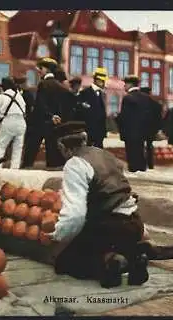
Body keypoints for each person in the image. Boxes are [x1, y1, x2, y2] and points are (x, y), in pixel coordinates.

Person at [47, 121, 148, 288]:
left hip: (109, 227)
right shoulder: (105, 154)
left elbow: (76, 214)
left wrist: (58, 237)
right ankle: (134, 257)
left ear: (62, 146)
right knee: (100, 242)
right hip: (135, 223)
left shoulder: (75, 164)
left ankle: (110, 262)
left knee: (64, 263)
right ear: (84, 140)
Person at [22, 57, 66, 168]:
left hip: (41, 122)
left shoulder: (43, 84)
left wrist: (48, 116)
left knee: (31, 148)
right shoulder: (60, 86)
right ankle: (52, 169)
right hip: (55, 123)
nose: (39, 70)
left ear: (47, 70)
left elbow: (41, 105)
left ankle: (26, 168)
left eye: (41, 68)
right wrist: (57, 116)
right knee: (52, 149)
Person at [115, 75, 150, 172]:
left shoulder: (127, 98)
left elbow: (124, 117)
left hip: (130, 134)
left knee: (132, 158)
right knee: (140, 154)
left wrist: (117, 118)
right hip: (142, 133)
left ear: (130, 84)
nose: (124, 86)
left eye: (125, 84)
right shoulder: (145, 98)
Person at [0, 77, 27, 169]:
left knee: (1, 146)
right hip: (21, 122)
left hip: (8, 121)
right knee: (18, 148)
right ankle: (14, 170)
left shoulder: (2, 96)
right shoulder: (19, 95)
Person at [76, 68, 108, 149]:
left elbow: (102, 114)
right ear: (96, 80)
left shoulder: (102, 94)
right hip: (88, 132)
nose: (104, 83)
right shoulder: (84, 93)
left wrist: (103, 133)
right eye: (102, 81)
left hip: (99, 134)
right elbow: (80, 113)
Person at [140, 87, 163, 169]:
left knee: (140, 146)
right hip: (151, 130)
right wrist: (158, 129)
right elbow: (159, 119)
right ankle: (150, 164)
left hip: (141, 129)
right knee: (149, 146)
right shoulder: (156, 104)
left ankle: (143, 163)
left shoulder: (140, 104)